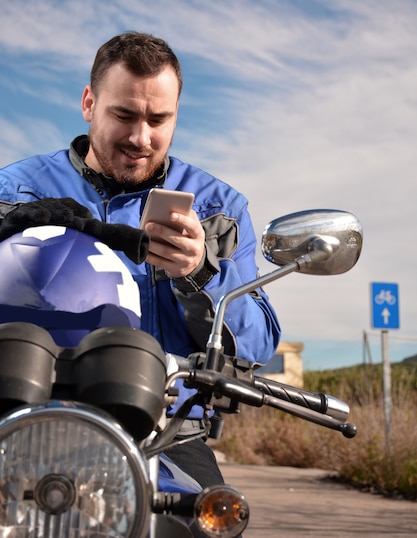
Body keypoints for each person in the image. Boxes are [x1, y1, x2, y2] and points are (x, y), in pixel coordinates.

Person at [0, 31, 280, 491]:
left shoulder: (219, 210)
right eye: (124, 114)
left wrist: (199, 275)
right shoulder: (12, 191)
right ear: (89, 103)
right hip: (20, 413)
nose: (140, 137)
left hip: (164, 430)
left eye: (159, 119)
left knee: (210, 517)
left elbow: (256, 345)